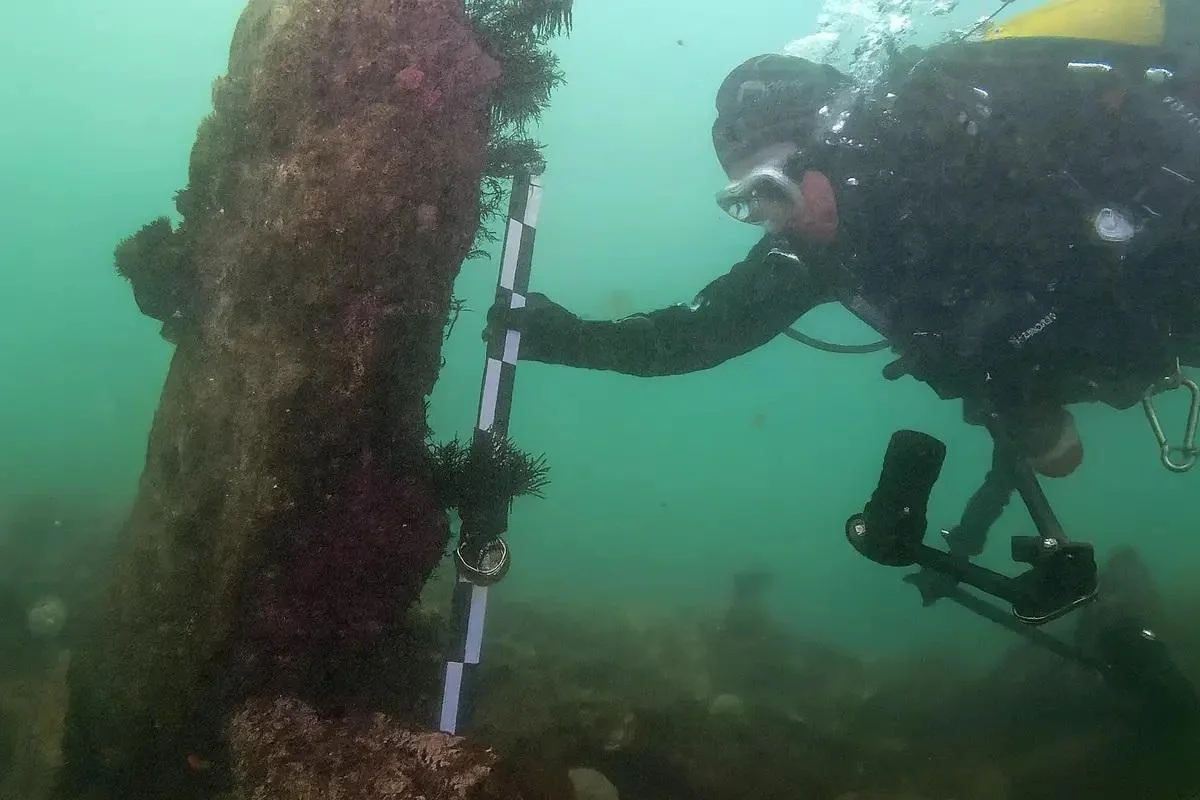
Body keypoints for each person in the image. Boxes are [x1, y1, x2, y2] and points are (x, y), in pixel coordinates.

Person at [485, 1, 1200, 605]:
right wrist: (571, 339)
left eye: (769, 189)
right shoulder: (820, 252)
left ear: (826, 144)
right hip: (1130, 348)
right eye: (743, 203)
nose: (768, 217)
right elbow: (705, 333)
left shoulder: (969, 137)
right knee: (1056, 453)